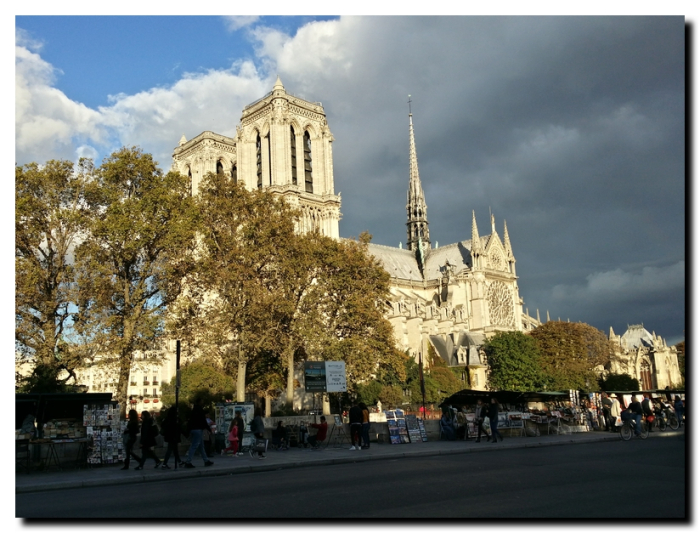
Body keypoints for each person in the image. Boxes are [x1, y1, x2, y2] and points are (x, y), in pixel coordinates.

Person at [184, 398, 214, 468]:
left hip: (193, 429)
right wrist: (209, 429)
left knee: (201, 446)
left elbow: (190, 421)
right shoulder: (200, 411)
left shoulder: (194, 410)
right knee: (194, 446)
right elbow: (203, 421)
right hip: (198, 430)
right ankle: (188, 462)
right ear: (200, 402)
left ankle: (206, 460)